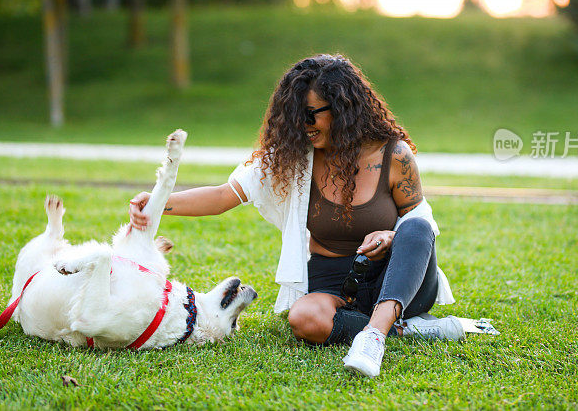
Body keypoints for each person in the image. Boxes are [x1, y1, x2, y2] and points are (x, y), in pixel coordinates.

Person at [128, 54, 464, 377]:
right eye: (294, 115)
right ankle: (407, 329)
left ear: (343, 108)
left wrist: (393, 236)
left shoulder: (392, 154)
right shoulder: (293, 158)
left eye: (311, 114)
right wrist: (157, 202)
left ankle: (374, 337)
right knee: (304, 320)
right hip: (333, 281)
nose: (302, 125)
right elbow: (222, 196)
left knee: (417, 227)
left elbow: (421, 221)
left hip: (398, 278)